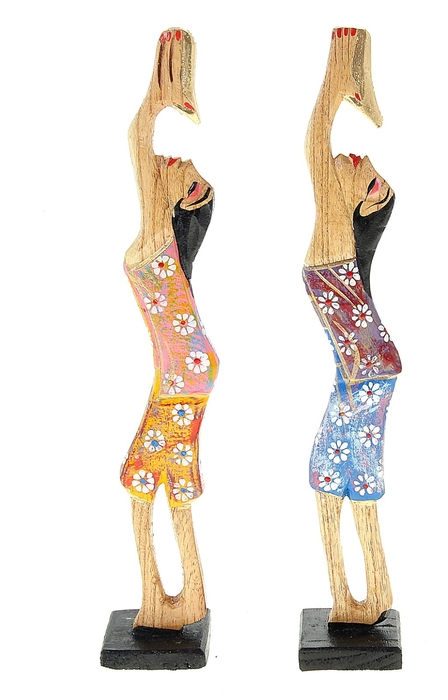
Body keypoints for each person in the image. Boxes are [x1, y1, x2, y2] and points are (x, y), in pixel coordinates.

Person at [121, 28, 217, 630]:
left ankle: (164, 600)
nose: (173, 160)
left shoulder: (157, 241)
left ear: (183, 199)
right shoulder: (160, 246)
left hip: (183, 381)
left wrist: (159, 98)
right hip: (185, 379)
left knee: (140, 479)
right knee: (171, 484)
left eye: (187, 173)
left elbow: (138, 140)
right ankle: (180, 600)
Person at [303, 27, 400, 625]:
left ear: (357, 203)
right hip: (367, 375)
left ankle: (361, 595)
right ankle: (364, 594)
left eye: (365, 172)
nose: (353, 156)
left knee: (333, 477)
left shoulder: (333, 239)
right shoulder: (336, 246)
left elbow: (316, 141)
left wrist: (338, 76)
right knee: (346, 481)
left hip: (366, 377)